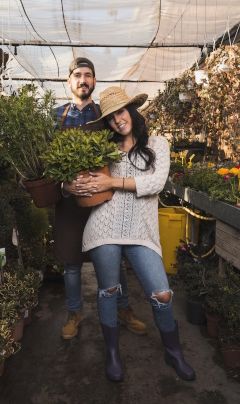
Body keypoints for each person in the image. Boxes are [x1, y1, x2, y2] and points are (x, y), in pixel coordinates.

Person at [80, 86, 196, 382]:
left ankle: (174, 354)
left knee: (162, 294)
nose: (118, 120)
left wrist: (111, 182)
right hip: (104, 227)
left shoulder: (157, 143)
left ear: (131, 110)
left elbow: (155, 183)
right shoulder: (103, 149)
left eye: (120, 112)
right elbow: (80, 182)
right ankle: (113, 355)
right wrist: (72, 187)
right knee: (108, 292)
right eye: (110, 117)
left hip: (141, 231)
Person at [53, 58, 147, 339]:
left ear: (94, 81)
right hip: (69, 203)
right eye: (78, 75)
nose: (83, 80)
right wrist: (65, 186)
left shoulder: (105, 116)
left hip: (106, 200)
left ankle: (123, 308)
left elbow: (121, 151)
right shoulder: (56, 116)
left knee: (113, 259)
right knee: (71, 264)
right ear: (69, 81)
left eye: (88, 75)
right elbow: (47, 164)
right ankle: (74, 312)